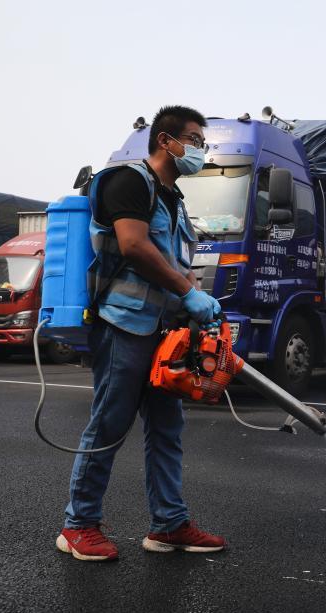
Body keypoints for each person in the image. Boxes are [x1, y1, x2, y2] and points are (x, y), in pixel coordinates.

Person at [55, 106, 226, 561]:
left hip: (165, 331)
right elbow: (133, 244)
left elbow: (172, 262)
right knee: (109, 425)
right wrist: (185, 293)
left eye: (201, 143)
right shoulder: (129, 180)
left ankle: (168, 525)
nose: (199, 151)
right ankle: (78, 525)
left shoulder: (174, 200)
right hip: (124, 324)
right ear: (166, 140)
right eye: (193, 140)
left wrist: (194, 301)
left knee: (167, 429)